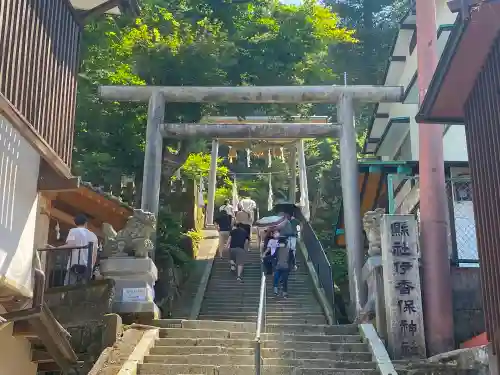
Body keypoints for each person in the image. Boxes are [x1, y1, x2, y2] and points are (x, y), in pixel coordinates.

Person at [58, 214, 98, 285]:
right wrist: (91, 268)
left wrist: (55, 248)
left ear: (75, 223)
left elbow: (71, 245)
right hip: (87, 267)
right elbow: (94, 254)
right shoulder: (93, 235)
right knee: (83, 290)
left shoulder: (73, 231)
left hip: (74, 265)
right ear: (86, 223)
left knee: (68, 288)